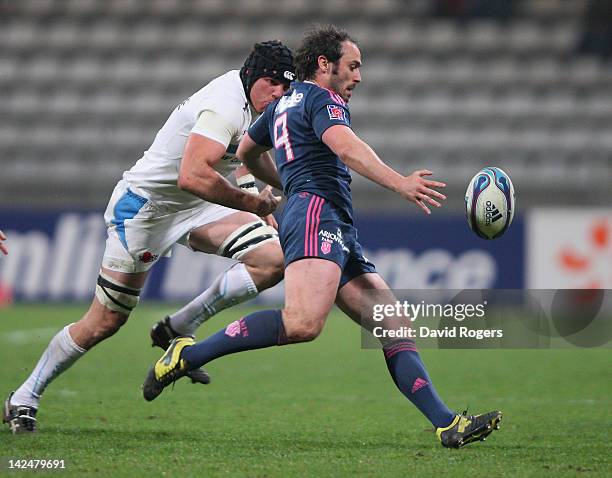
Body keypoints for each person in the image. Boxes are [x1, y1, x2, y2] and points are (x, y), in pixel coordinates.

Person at [143, 25, 502, 449]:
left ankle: (446, 424)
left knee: (391, 323)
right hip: (318, 214)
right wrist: (400, 183)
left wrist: (286, 187)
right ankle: (187, 355)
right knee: (302, 322)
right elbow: (347, 149)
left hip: (324, 215)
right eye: (352, 66)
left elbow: (245, 154)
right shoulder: (321, 98)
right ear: (324, 64)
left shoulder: (281, 106)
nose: (358, 76)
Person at [3, 40, 295, 434]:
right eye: (273, 83)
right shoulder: (224, 104)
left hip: (195, 205)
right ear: (253, 77)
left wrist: (284, 186)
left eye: (285, 86)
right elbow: (191, 174)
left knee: (272, 259)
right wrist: (251, 203)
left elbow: (243, 154)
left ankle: (177, 328)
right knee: (105, 321)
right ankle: (25, 395)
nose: (279, 93)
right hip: (145, 210)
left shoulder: (250, 101)